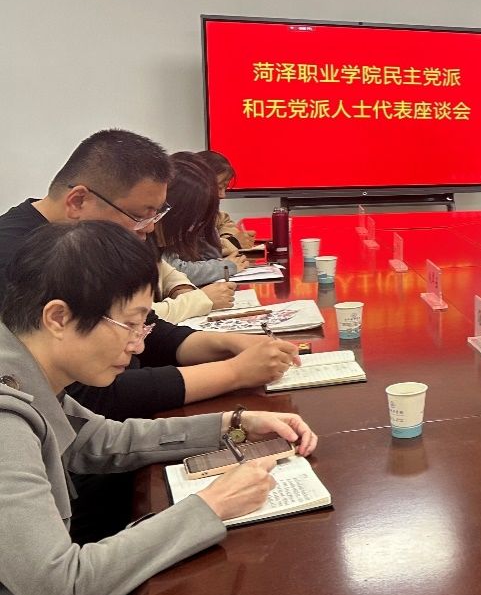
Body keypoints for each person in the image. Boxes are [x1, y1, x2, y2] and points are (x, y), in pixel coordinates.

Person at [0, 221, 317, 595]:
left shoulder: (23, 365)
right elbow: (62, 589)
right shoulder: (5, 419)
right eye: (128, 324)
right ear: (58, 318)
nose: (139, 344)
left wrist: (232, 424)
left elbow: (96, 440)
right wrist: (212, 506)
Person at [0, 129, 297, 421]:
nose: (150, 228)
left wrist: (228, 344)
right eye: (139, 216)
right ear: (78, 201)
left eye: (156, 215)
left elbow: (146, 329)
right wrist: (234, 372)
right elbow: (86, 397)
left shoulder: (88, 241)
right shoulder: (14, 258)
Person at [157, 154, 248, 286]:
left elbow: (212, 253)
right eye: (219, 187)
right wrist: (224, 267)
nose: (222, 195)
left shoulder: (189, 214)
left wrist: (224, 239)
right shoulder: (162, 221)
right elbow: (173, 272)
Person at [195, 150, 257, 255]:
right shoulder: (181, 215)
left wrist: (226, 238)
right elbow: (192, 255)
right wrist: (231, 243)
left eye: (225, 188)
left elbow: (223, 220)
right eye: (219, 188)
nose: (223, 195)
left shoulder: (208, 211)